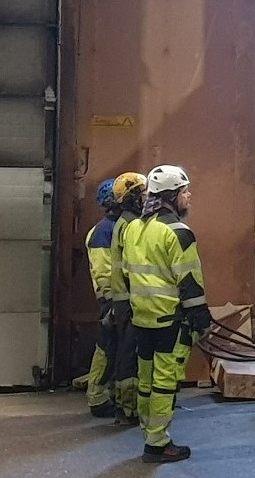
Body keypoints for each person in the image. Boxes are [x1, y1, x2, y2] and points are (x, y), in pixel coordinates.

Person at [122, 165, 210, 464]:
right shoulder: (179, 232)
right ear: (173, 196)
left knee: (146, 380)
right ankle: (158, 443)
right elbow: (189, 279)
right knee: (164, 382)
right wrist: (200, 316)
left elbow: (125, 273)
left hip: (141, 318)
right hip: (169, 320)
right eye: (185, 191)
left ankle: (149, 432)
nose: (189, 196)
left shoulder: (134, 228)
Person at [109, 172, 147, 426]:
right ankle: (129, 406)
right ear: (132, 198)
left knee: (126, 352)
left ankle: (126, 404)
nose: (146, 199)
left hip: (124, 300)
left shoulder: (124, 222)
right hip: (130, 301)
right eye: (142, 194)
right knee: (129, 354)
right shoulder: (131, 225)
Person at [84, 179, 120, 418]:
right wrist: (111, 302)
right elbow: (103, 270)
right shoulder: (103, 231)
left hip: (117, 298)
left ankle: (110, 393)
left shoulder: (117, 227)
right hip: (112, 300)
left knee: (115, 347)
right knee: (106, 347)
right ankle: (97, 397)